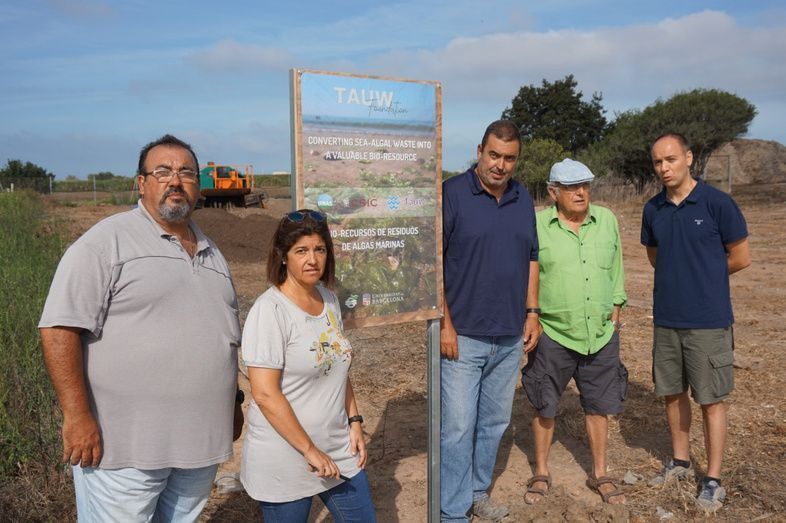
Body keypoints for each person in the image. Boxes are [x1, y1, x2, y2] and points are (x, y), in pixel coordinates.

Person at [39, 134, 244, 522]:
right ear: (141, 183)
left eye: (186, 172)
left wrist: (232, 405)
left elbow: (225, 338)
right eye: (162, 171)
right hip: (123, 452)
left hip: (197, 450)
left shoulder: (213, 253)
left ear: (198, 185)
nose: (175, 180)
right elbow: (58, 328)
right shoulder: (106, 243)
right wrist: (77, 416)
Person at [240, 209, 376, 522]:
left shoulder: (329, 300)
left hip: (338, 448)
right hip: (287, 455)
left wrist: (354, 421)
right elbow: (265, 394)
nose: (312, 259)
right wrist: (309, 450)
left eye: (320, 249)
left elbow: (337, 366)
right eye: (301, 251)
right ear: (283, 256)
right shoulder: (270, 311)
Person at [642, 132, 751, 510]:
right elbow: (655, 257)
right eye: (657, 162)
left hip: (707, 321)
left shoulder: (718, 203)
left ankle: (714, 479)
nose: (664, 168)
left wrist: (704, 277)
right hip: (666, 319)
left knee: (710, 399)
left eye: (670, 159)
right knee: (672, 393)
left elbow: (740, 257)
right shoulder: (653, 209)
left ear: (688, 158)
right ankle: (680, 462)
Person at [441, 120, 540, 522]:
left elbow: (532, 257)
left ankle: (477, 492)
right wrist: (445, 325)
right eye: (494, 155)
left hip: (510, 334)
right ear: (480, 151)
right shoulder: (451, 194)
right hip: (462, 336)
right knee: (458, 428)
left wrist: (532, 312)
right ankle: (452, 512)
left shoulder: (522, 197)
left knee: (494, 423)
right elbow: (432, 265)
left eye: (509, 158)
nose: (500, 165)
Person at [521, 159, 628, 505]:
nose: (581, 192)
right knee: (545, 404)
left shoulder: (606, 220)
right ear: (553, 192)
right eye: (571, 187)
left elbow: (616, 266)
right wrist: (532, 315)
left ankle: (600, 473)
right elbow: (528, 274)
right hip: (554, 331)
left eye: (585, 185)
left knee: (599, 404)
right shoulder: (537, 225)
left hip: (600, 332)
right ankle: (541, 472)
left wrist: (616, 305)